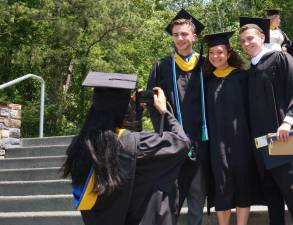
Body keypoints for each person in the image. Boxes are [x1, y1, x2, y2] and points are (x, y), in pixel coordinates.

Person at [61, 71, 191, 225]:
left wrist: (135, 112)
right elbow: (182, 142)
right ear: (122, 107)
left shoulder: (79, 145)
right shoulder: (134, 144)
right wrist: (164, 111)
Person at [239, 17, 293, 225]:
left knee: (292, 190)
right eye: (242, 41)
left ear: (261, 37)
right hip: (262, 141)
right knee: (271, 192)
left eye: (250, 38)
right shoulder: (250, 71)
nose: (246, 43)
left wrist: (288, 121)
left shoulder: (280, 59)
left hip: (282, 137)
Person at [146, 9, 208, 225]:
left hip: (201, 143)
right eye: (176, 35)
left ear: (194, 36)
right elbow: (153, 105)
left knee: (197, 199)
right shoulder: (162, 66)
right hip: (173, 143)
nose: (179, 39)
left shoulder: (206, 65)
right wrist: (166, 135)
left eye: (184, 34)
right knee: (170, 201)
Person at [202, 31, 264, 225]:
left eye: (219, 52)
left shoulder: (243, 77)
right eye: (211, 53)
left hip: (242, 140)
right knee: (221, 186)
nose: (215, 56)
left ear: (228, 54)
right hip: (217, 143)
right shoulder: (206, 81)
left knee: (243, 183)